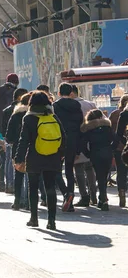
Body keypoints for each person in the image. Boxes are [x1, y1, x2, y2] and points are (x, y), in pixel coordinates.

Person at [15, 91, 66, 230]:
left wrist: (19, 159)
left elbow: (23, 140)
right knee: (50, 188)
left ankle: (34, 218)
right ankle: (51, 221)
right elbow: (63, 136)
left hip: (34, 157)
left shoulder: (28, 118)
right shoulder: (53, 116)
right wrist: (61, 153)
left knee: (33, 188)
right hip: (52, 157)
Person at [53, 83, 83, 212]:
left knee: (56, 170)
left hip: (59, 141)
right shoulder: (77, 105)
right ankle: (70, 195)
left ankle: (66, 193)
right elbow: (80, 124)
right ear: (71, 93)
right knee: (70, 170)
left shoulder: (55, 106)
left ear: (59, 93)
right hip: (73, 141)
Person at [81, 109, 113, 211]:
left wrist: (88, 154)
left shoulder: (88, 129)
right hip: (107, 153)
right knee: (104, 176)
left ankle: (103, 199)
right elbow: (116, 139)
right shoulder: (107, 127)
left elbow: (83, 145)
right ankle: (103, 198)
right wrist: (111, 149)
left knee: (99, 176)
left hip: (95, 154)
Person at [71, 85, 98, 207]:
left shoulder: (69, 106)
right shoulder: (90, 104)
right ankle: (93, 195)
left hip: (76, 140)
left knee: (78, 169)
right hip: (91, 139)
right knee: (90, 168)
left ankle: (84, 196)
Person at [5, 92, 31, 210]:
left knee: (19, 174)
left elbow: (8, 135)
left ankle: (17, 200)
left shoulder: (15, 115)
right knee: (30, 176)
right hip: (33, 149)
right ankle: (28, 201)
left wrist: (11, 141)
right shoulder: (36, 115)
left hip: (17, 148)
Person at [1, 88, 28, 193]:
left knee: (13, 166)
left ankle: (12, 187)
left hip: (14, 143)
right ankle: (27, 198)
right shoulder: (31, 112)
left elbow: (5, 129)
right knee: (27, 172)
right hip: (29, 145)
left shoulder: (9, 111)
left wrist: (8, 140)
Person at [110, 94, 128, 208]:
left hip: (122, 148)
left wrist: (115, 146)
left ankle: (122, 194)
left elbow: (118, 133)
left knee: (121, 172)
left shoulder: (123, 114)